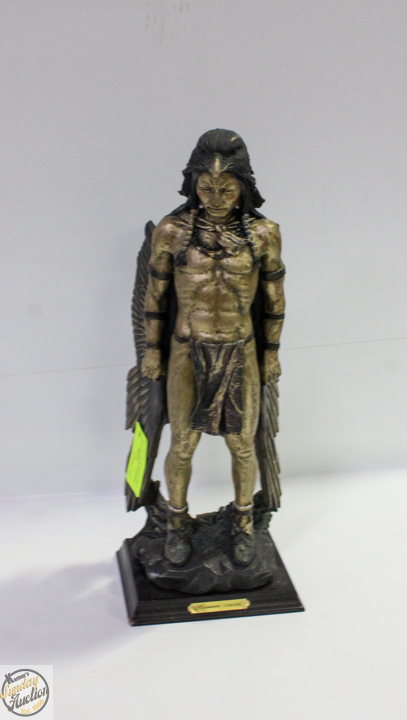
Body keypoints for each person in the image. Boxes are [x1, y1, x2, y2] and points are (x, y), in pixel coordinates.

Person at [140, 129, 285, 567]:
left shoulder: (264, 234)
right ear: (193, 185)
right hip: (188, 351)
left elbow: (274, 299)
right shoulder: (172, 232)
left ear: (243, 187)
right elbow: (155, 297)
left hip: (240, 352)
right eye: (206, 188)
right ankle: (176, 522)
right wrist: (152, 351)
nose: (216, 198)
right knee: (183, 443)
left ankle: (243, 521)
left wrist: (271, 353)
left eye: (226, 189)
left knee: (242, 445)